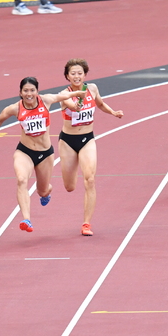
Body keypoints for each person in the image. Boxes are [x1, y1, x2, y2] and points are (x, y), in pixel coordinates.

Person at [0, 77, 84, 233]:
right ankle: (26, 219)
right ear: (20, 92)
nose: (29, 94)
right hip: (25, 151)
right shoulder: (15, 108)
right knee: (21, 179)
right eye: (25, 91)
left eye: (32, 90)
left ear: (37, 91)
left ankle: (46, 193)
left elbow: (63, 96)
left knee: (42, 190)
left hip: (45, 153)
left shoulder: (46, 100)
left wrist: (79, 93)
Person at [58, 59, 123, 237]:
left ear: (85, 74)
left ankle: (86, 223)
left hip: (87, 139)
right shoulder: (64, 94)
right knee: (70, 186)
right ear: (67, 76)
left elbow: (100, 103)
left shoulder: (92, 88)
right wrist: (77, 100)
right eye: (73, 73)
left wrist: (113, 112)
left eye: (80, 73)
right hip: (68, 142)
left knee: (90, 180)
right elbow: (74, 107)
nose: (76, 76)